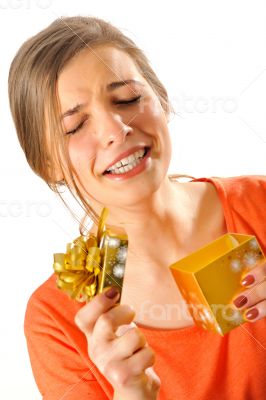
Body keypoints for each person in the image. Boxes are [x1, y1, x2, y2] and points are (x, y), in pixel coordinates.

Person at [8, 16, 266, 400]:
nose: (116, 129)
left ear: (162, 100)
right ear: (48, 164)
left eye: (127, 99)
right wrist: (131, 393)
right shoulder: (55, 319)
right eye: (76, 125)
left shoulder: (259, 204)